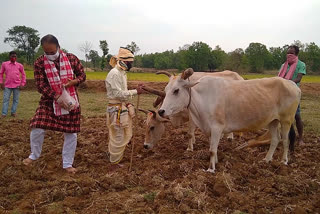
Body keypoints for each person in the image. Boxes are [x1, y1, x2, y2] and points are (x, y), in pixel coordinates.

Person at [23, 34, 86, 174]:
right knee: (37, 126)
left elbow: (82, 75)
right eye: (47, 52)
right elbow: (40, 85)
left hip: (70, 100)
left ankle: (67, 164)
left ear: (59, 47)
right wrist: (57, 97)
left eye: (52, 52)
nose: (50, 55)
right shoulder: (39, 62)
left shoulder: (71, 58)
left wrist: (73, 82)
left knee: (71, 133)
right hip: (49, 100)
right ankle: (34, 155)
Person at [105, 47, 144, 166]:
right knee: (118, 135)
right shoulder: (115, 73)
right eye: (130, 62)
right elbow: (118, 93)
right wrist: (135, 92)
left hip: (121, 107)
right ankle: (114, 162)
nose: (131, 64)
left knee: (121, 134)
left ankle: (115, 157)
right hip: (116, 109)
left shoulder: (122, 73)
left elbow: (123, 92)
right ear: (125, 61)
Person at [278, 45, 306, 145]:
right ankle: (287, 136)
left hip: (293, 93)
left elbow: (298, 78)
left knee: (297, 116)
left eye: (292, 53)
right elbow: (279, 78)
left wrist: (287, 83)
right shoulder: (283, 65)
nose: (289, 55)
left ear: (296, 54)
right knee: (283, 116)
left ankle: (301, 138)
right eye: (288, 53)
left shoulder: (301, 64)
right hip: (282, 93)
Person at [0, 51, 26, 117]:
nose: (14, 57)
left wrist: (22, 84)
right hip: (7, 85)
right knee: (5, 99)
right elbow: (1, 73)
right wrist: (1, 82)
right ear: (10, 57)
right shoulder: (4, 64)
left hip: (17, 85)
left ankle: (13, 112)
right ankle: (4, 113)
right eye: (12, 56)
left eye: (15, 56)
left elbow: (23, 74)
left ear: (16, 57)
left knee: (16, 100)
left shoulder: (20, 65)